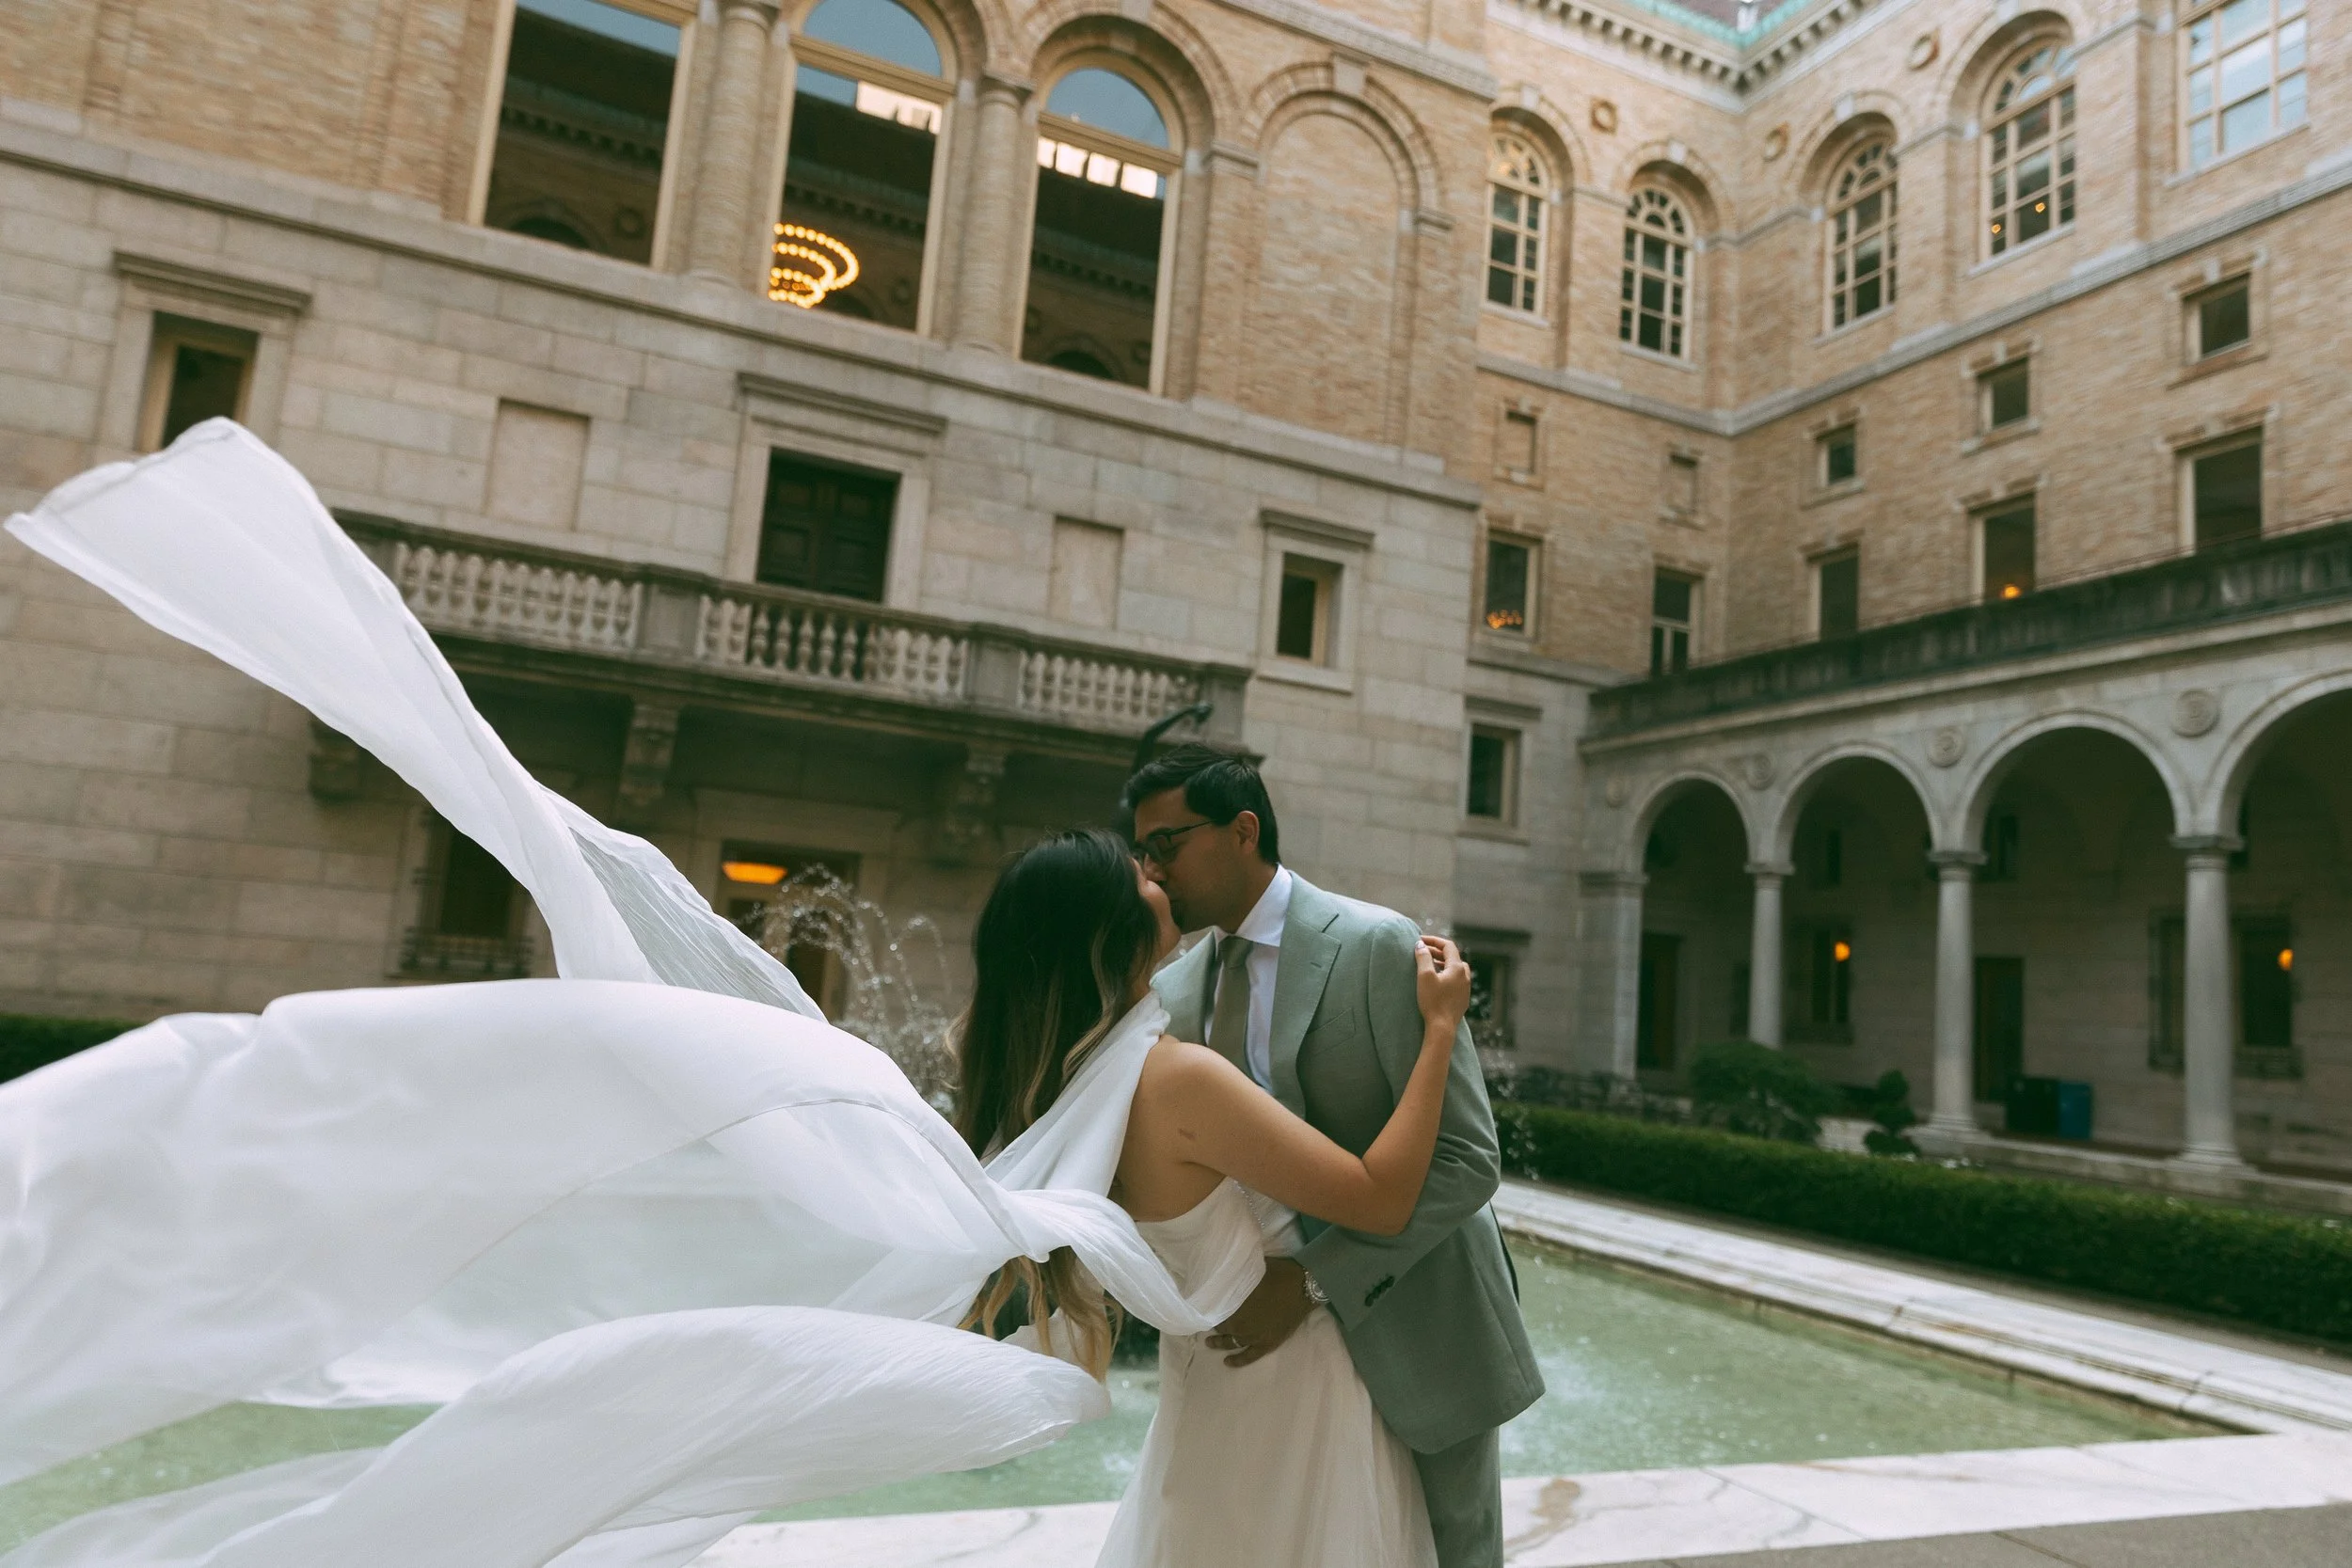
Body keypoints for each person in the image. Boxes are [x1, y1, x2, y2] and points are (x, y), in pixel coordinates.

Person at [953, 828, 1475, 1565]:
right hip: (1297, 1381)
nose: (1156, 873)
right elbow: (1382, 1198)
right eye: (1138, 874)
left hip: (1207, 1379)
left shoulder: (1081, 1082)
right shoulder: (1178, 1081)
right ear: (1112, 930)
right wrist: (1441, 1029)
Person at [1122, 745, 1544, 1568]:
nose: (1152, 870)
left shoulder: (1376, 944)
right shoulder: (1173, 993)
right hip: (1271, 1372)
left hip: (1423, 1321)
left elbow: (1464, 1157)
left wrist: (1315, 1280)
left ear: (1243, 830)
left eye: (1166, 845)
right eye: (1143, 852)